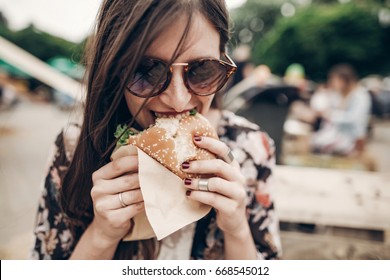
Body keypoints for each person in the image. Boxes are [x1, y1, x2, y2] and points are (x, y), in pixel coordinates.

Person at [30, 0, 282, 260]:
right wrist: (102, 234)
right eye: (147, 71)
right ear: (114, 69)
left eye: (202, 69)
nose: (177, 99)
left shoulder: (253, 148)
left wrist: (237, 228)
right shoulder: (74, 148)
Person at [311, 64, 372, 155]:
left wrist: (330, 115)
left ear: (344, 80)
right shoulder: (340, 94)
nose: (332, 83)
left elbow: (354, 119)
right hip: (338, 135)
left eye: (334, 80)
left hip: (352, 139)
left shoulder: (360, 95)